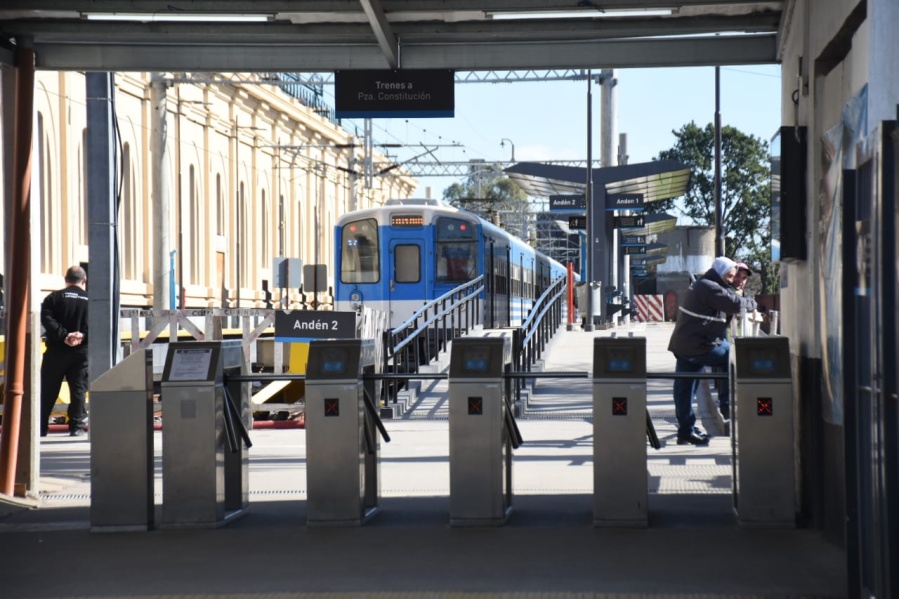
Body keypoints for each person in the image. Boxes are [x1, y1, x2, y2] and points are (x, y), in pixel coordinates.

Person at [667, 257, 757, 445]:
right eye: (730, 275)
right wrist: (751, 302)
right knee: (732, 357)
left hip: (687, 343)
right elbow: (735, 304)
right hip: (698, 345)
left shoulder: (704, 284)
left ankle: (686, 431)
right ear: (721, 273)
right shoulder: (710, 287)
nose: (733, 280)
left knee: (684, 390)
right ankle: (726, 406)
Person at [40, 265, 89, 437]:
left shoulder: (53, 298)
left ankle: (40, 427)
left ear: (65, 279)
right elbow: (97, 323)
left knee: (47, 389)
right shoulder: (90, 299)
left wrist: (64, 336)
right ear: (84, 280)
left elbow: (47, 319)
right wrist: (81, 335)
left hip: (56, 352)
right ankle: (76, 426)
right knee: (78, 389)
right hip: (81, 353)